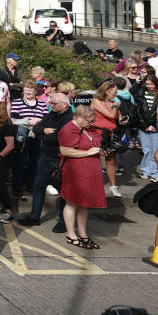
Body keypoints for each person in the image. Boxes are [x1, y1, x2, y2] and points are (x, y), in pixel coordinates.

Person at [18, 94, 72, 229]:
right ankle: (34, 217)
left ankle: (63, 221)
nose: (51, 105)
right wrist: (44, 131)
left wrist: (43, 135)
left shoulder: (69, 119)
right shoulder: (51, 114)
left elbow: (57, 138)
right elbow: (36, 129)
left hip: (60, 159)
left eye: (54, 103)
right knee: (38, 187)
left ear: (64, 104)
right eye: (51, 103)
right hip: (45, 157)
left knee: (63, 191)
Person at [59, 105, 106, 249]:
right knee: (72, 202)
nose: (91, 124)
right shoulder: (69, 129)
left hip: (90, 171)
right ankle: (71, 235)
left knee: (84, 203)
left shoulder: (87, 128)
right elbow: (65, 151)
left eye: (92, 121)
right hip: (75, 171)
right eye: (89, 121)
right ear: (79, 117)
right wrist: (88, 153)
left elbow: (93, 145)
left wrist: (100, 151)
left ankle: (83, 234)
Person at [10, 79, 45, 199]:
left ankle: (31, 185)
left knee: (35, 161)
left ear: (35, 91)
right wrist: (27, 120)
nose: (28, 92)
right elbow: (13, 119)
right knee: (20, 161)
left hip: (37, 135)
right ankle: (17, 187)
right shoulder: (17, 102)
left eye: (30, 90)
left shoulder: (41, 104)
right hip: (22, 135)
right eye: (26, 90)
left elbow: (46, 118)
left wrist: (38, 120)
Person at [90, 80, 122, 197]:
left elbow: (118, 117)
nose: (116, 94)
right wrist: (115, 107)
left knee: (111, 161)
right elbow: (111, 115)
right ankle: (93, 187)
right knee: (94, 160)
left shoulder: (113, 102)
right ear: (107, 91)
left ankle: (113, 187)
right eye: (114, 92)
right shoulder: (96, 101)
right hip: (97, 134)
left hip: (111, 135)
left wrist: (124, 119)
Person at [136, 75, 158, 181]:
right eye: (147, 84)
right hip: (143, 125)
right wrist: (145, 125)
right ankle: (146, 171)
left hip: (155, 125)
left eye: (151, 84)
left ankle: (155, 173)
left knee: (155, 151)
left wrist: (153, 125)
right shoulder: (141, 93)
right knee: (146, 150)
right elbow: (139, 112)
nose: (149, 86)